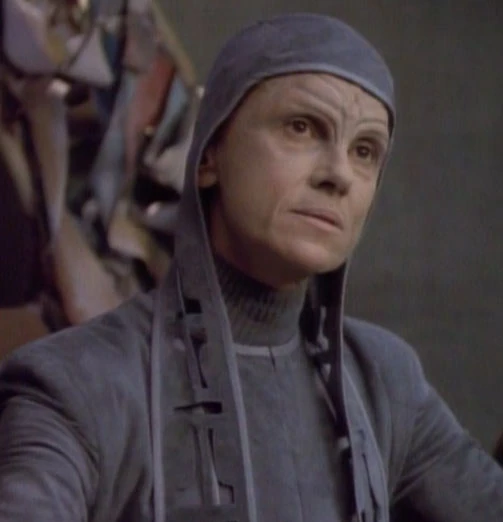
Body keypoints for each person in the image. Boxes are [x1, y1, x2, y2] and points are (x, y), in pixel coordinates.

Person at [0, 12, 501, 522]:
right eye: (301, 127)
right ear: (208, 156)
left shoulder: (384, 382)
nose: (339, 174)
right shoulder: (78, 384)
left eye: (365, 151)